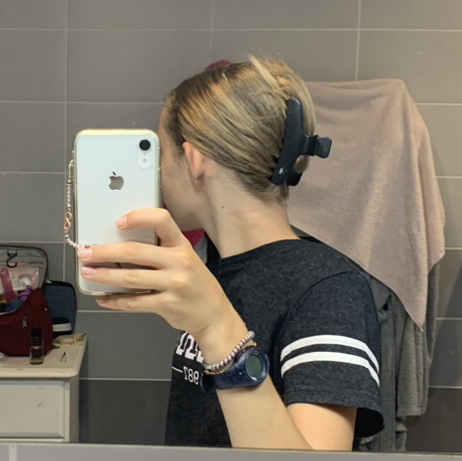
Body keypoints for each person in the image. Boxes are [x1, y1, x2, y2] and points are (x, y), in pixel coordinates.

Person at [78, 57, 383, 451]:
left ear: (194, 160)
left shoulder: (329, 289)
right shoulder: (215, 273)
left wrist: (216, 326)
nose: (159, 175)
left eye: (163, 155)